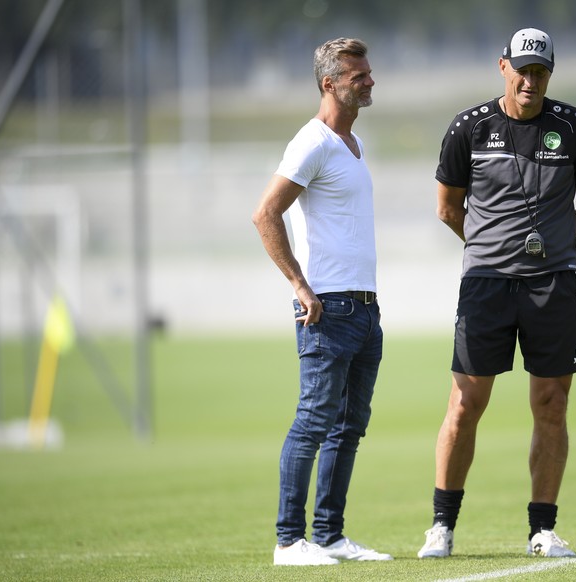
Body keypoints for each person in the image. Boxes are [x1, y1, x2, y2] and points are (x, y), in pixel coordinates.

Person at [417, 27, 576, 559]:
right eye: (522, 69)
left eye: (541, 72)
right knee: (467, 401)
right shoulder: (468, 127)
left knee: (551, 403)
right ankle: (442, 527)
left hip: (553, 282)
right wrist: (492, 248)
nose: (530, 81)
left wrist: (553, 244)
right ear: (503, 67)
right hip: (486, 285)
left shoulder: (574, 124)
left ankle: (542, 529)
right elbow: (448, 208)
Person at [252, 37, 392, 567]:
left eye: (369, 72)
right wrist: (299, 285)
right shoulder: (311, 142)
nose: (370, 80)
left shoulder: (353, 145)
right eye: (359, 75)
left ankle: (329, 535)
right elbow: (265, 213)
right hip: (326, 309)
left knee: (348, 425)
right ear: (329, 83)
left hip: (364, 308)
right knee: (314, 419)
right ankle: (289, 541)